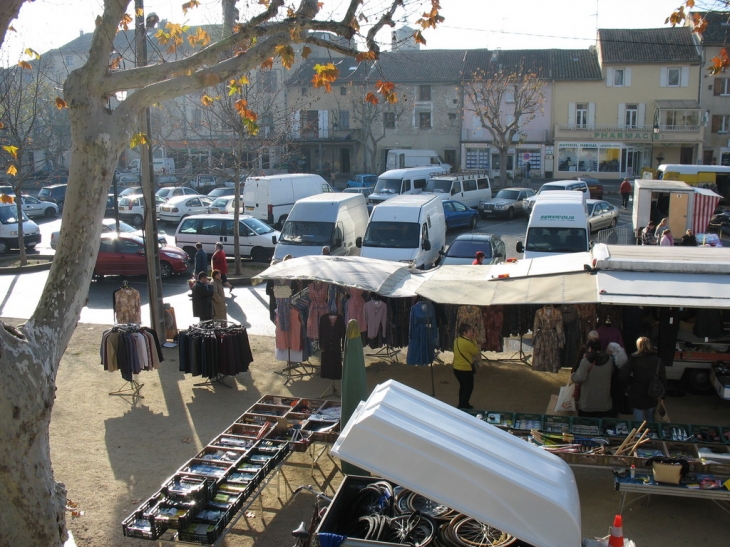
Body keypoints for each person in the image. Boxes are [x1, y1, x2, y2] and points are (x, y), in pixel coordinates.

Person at [620, 337, 666, 422]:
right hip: (652, 394)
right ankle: (650, 434)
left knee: (638, 421)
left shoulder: (634, 359)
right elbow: (663, 379)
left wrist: (630, 382)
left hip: (636, 393)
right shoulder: (658, 360)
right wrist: (662, 396)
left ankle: (639, 434)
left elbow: (623, 375)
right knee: (651, 419)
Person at [571, 339, 615, 418]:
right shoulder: (610, 360)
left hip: (587, 403)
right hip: (604, 403)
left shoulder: (585, 361)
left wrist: (573, 375)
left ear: (590, 348)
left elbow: (579, 378)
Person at [452, 323, 481, 409]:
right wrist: (474, 340)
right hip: (465, 369)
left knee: (463, 386)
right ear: (464, 333)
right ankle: (462, 405)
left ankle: (463, 403)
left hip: (456, 368)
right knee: (468, 388)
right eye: (470, 331)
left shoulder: (456, 340)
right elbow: (475, 352)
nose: (472, 333)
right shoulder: (467, 343)